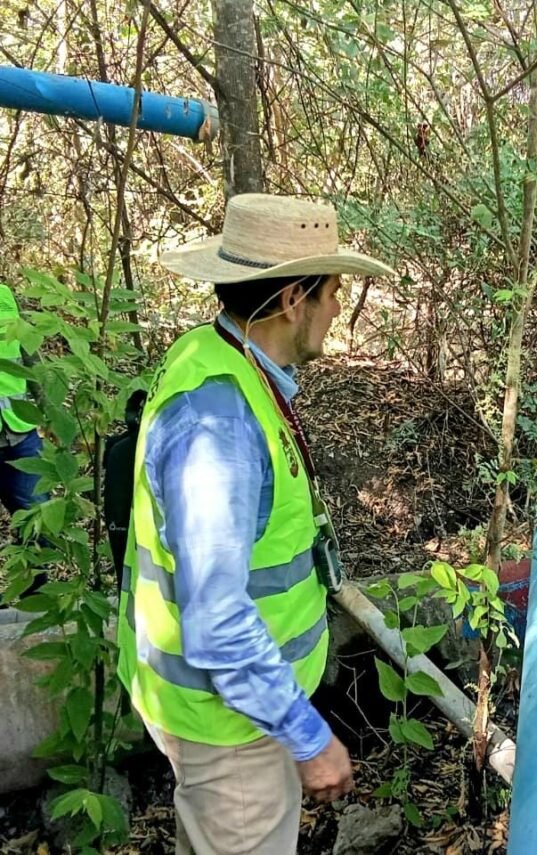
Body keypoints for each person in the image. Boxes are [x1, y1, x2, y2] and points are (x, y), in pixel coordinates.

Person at [116, 193, 395, 854]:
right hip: (231, 726)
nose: (337, 309)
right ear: (295, 298)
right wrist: (307, 735)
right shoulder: (221, 424)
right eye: (332, 292)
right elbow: (217, 620)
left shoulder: (215, 356)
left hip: (220, 709)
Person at [0, 281, 49, 598]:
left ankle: (33, 598)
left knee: (38, 521)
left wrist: (50, 412)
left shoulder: (5, 298)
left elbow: (31, 360)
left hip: (19, 433)